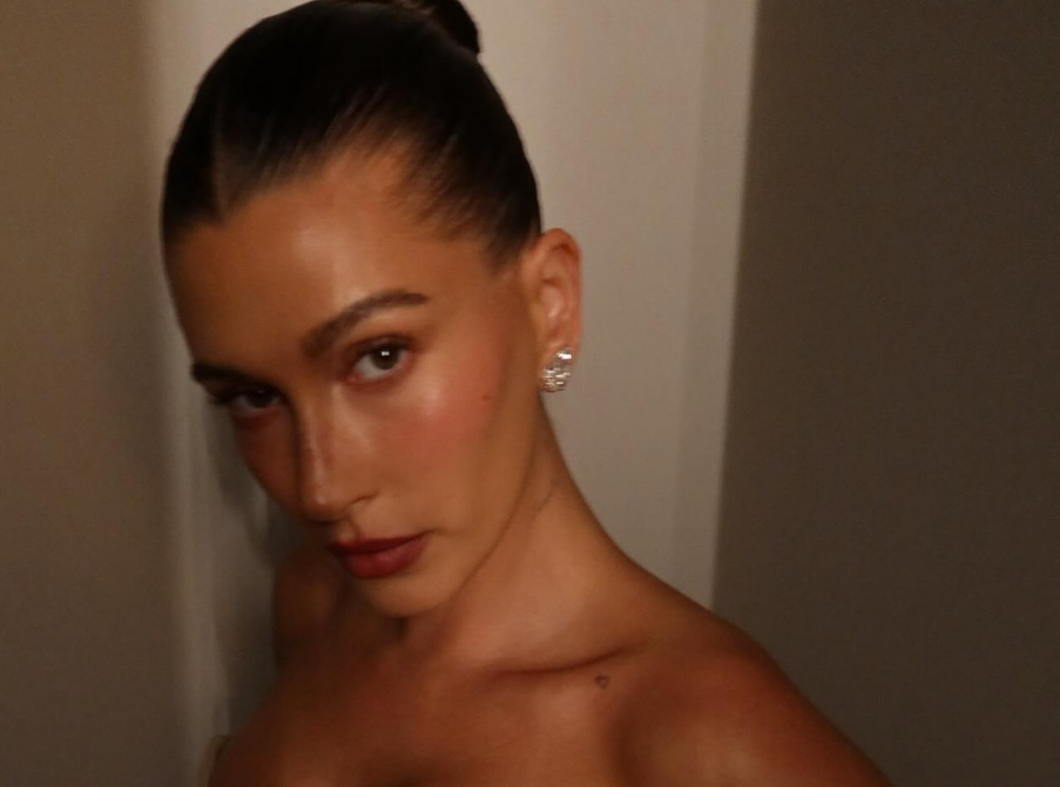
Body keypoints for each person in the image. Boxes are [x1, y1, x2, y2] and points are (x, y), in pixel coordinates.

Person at [161, 1, 891, 784]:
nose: (321, 487)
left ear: (550, 303)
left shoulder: (714, 746)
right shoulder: (311, 605)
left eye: (379, 356)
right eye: (252, 396)